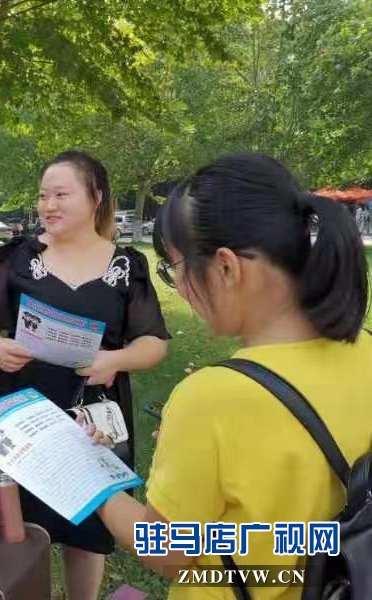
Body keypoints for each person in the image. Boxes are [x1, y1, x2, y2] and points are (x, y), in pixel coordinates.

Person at [81, 154, 371, 600]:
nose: (177, 286)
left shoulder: (212, 397)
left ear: (226, 267)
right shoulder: (365, 347)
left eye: (173, 268)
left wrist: (94, 479)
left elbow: (164, 551)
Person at [0, 150, 170, 600]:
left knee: (89, 525)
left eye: (61, 194)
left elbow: (154, 342)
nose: (48, 205)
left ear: (96, 198)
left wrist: (113, 361)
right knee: (17, 519)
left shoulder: (126, 267)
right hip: (24, 409)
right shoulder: (18, 258)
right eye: (43, 196)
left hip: (94, 419)